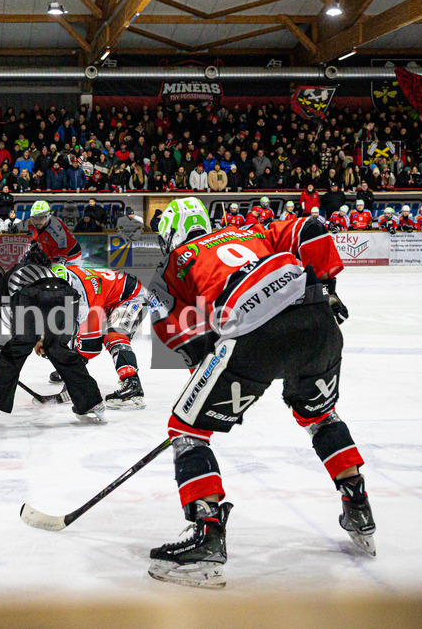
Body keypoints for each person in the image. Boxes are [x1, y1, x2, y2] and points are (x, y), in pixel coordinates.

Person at [145, 197, 373, 588]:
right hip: (318, 320)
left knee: (187, 430)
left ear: (172, 234)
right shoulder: (255, 229)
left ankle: (207, 532)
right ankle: (357, 506)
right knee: (319, 415)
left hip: (255, 337)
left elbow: (188, 342)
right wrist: (329, 287)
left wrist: (212, 384)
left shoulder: (172, 265)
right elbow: (312, 228)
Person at [0, 258, 105, 428]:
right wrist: (46, 340)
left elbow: (12, 321)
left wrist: (25, 342)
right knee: (59, 350)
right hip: (66, 295)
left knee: (14, 353)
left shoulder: (8, 280)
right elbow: (53, 300)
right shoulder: (49, 271)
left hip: (31, 297)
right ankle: (92, 402)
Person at [47, 261, 148, 409]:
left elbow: (91, 348)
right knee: (80, 330)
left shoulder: (86, 294)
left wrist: (73, 372)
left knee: (113, 335)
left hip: (132, 296)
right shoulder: (67, 278)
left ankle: (132, 385)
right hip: (110, 297)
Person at [27, 199, 81, 265]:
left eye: (41, 218)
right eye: (35, 218)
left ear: (48, 216)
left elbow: (61, 257)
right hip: (52, 252)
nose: (38, 222)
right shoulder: (31, 223)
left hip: (71, 256)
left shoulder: (56, 231)